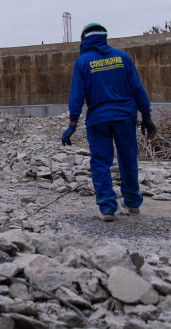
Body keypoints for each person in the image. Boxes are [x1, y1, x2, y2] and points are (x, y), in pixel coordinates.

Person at [62, 23, 157, 222]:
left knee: (100, 162)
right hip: (125, 118)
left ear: (85, 40)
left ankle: (107, 208)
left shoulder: (83, 62)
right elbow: (137, 88)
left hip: (98, 120)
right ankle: (132, 203)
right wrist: (146, 115)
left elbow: (77, 95)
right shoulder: (122, 57)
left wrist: (72, 124)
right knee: (128, 160)